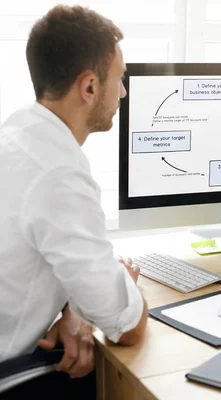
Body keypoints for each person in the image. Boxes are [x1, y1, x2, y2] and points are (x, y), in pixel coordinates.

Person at [0, 5, 148, 397]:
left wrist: (75, 310)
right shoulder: (58, 175)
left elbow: (44, 253)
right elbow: (127, 326)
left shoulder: (18, 134)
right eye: (119, 79)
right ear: (89, 87)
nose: (124, 91)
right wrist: (122, 286)